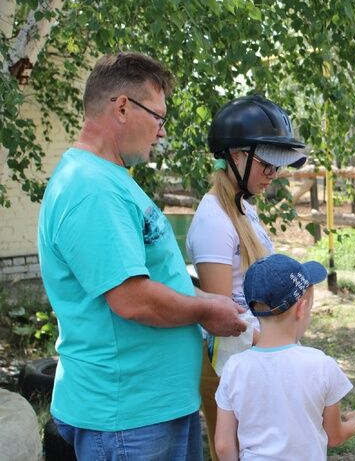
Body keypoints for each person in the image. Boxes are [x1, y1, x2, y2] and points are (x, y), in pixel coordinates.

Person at [37, 52, 247, 460]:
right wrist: (205, 311)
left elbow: (154, 277)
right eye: (158, 117)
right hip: (125, 421)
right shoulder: (90, 187)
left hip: (151, 410)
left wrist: (204, 300)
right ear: (121, 107)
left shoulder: (109, 179)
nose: (161, 132)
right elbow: (131, 299)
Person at [186, 94, 309, 459]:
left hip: (259, 357)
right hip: (235, 366)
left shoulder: (243, 209)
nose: (273, 173)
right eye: (266, 163)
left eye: (277, 166)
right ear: (236, 155)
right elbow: (222, 314)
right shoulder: (214, 220)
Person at [214, 254, 355, 461]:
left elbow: (223, 446)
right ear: (302, 309)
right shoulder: (322, 365)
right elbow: (334, 436)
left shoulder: (234, 367)